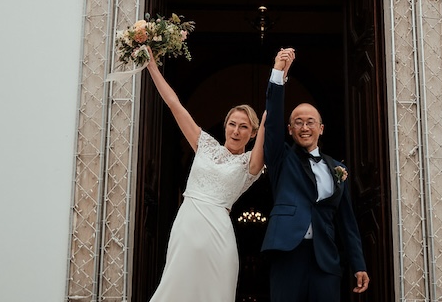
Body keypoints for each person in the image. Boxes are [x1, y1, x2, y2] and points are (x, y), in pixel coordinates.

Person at [143, 55, 265, 302]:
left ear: (252, 134)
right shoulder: (205, 145)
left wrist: (278, 78)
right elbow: (174, 103)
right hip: (187, 225)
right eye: (232, 124)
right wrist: (152, 66)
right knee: (175, 286)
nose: (236, 131)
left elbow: (268, 125)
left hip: (219, 236)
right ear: (225, 126)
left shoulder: (250, 163)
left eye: (244, 127)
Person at [261, 47, 369, 300]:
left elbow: (347, 222)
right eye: (298, 122)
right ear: (290, 129)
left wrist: (359, 264)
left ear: (321, 128)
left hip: (326, 260)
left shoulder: (338, 169)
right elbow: (273, 122)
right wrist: (278, 73)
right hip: (287, 254)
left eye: (310, 122)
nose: (304, 127)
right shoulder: (281, 158)